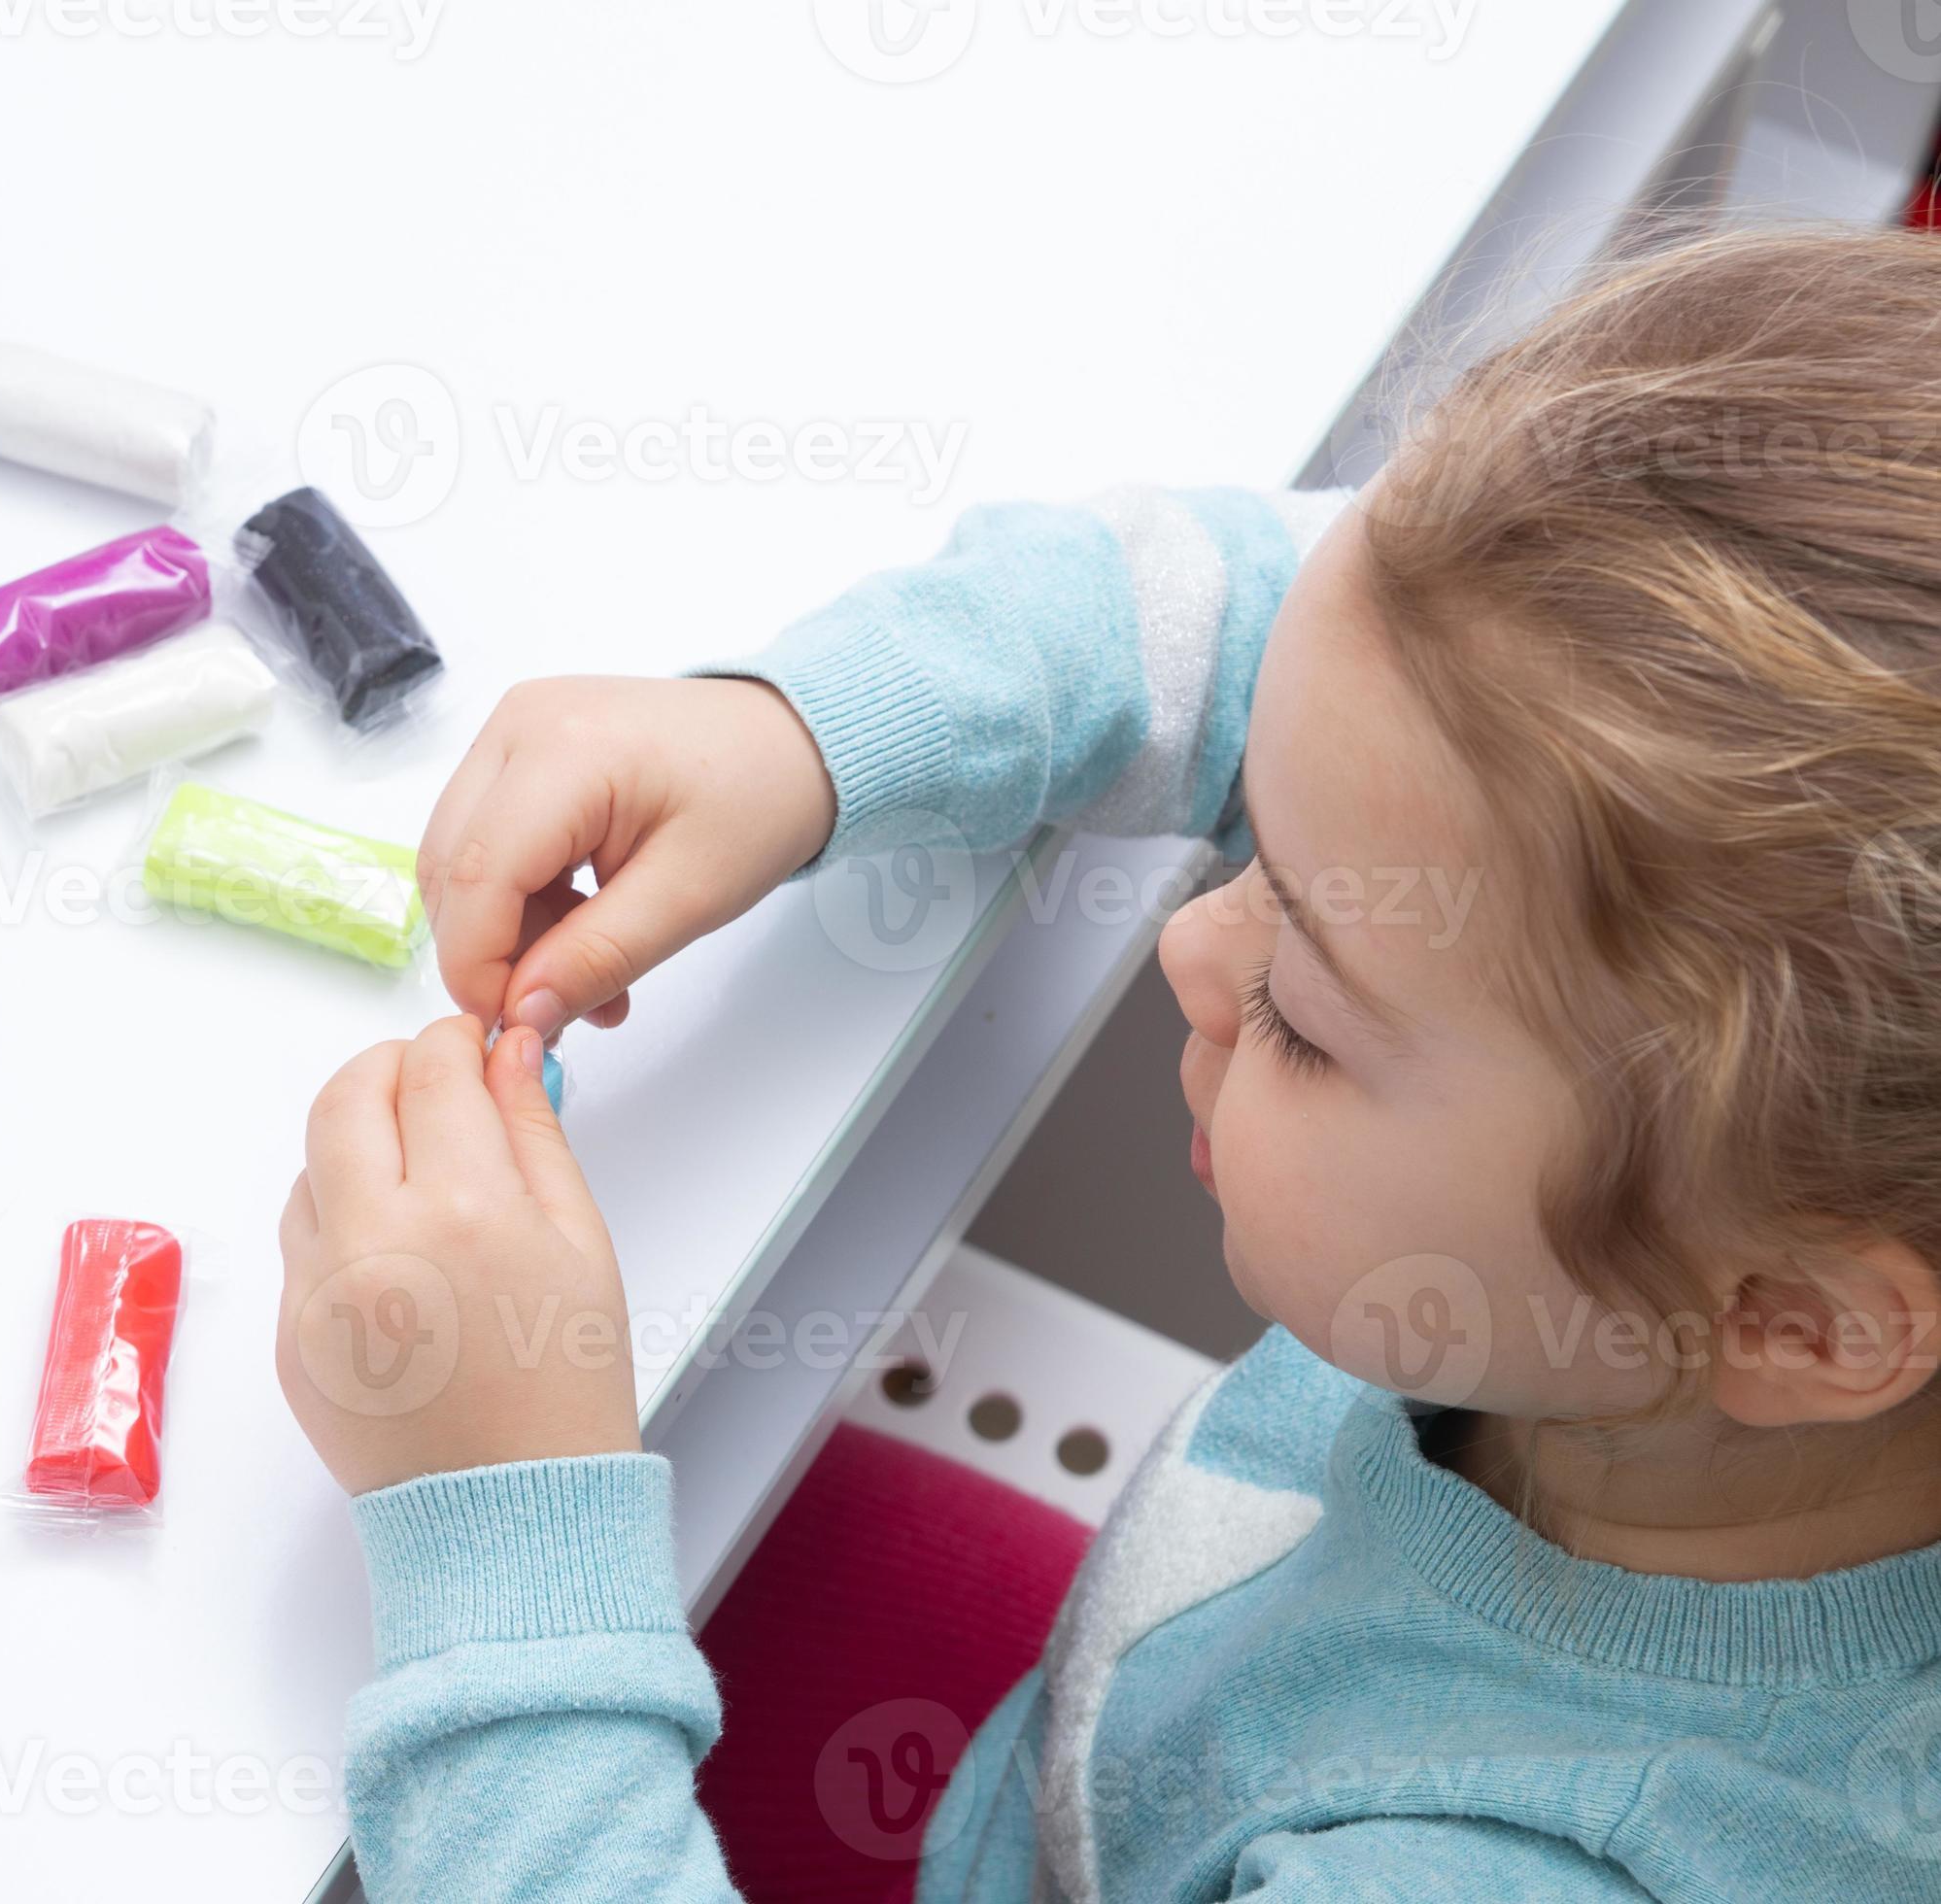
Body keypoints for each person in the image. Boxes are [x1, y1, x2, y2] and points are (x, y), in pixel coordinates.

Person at [275, 226, 1941, 1900]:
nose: (1195, 947)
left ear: (1799, 1321)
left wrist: (501, 1551)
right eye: (1266, 864)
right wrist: (814, 731)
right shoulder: (1691, 1258)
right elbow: (1331, 633)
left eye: (1304, 1006)